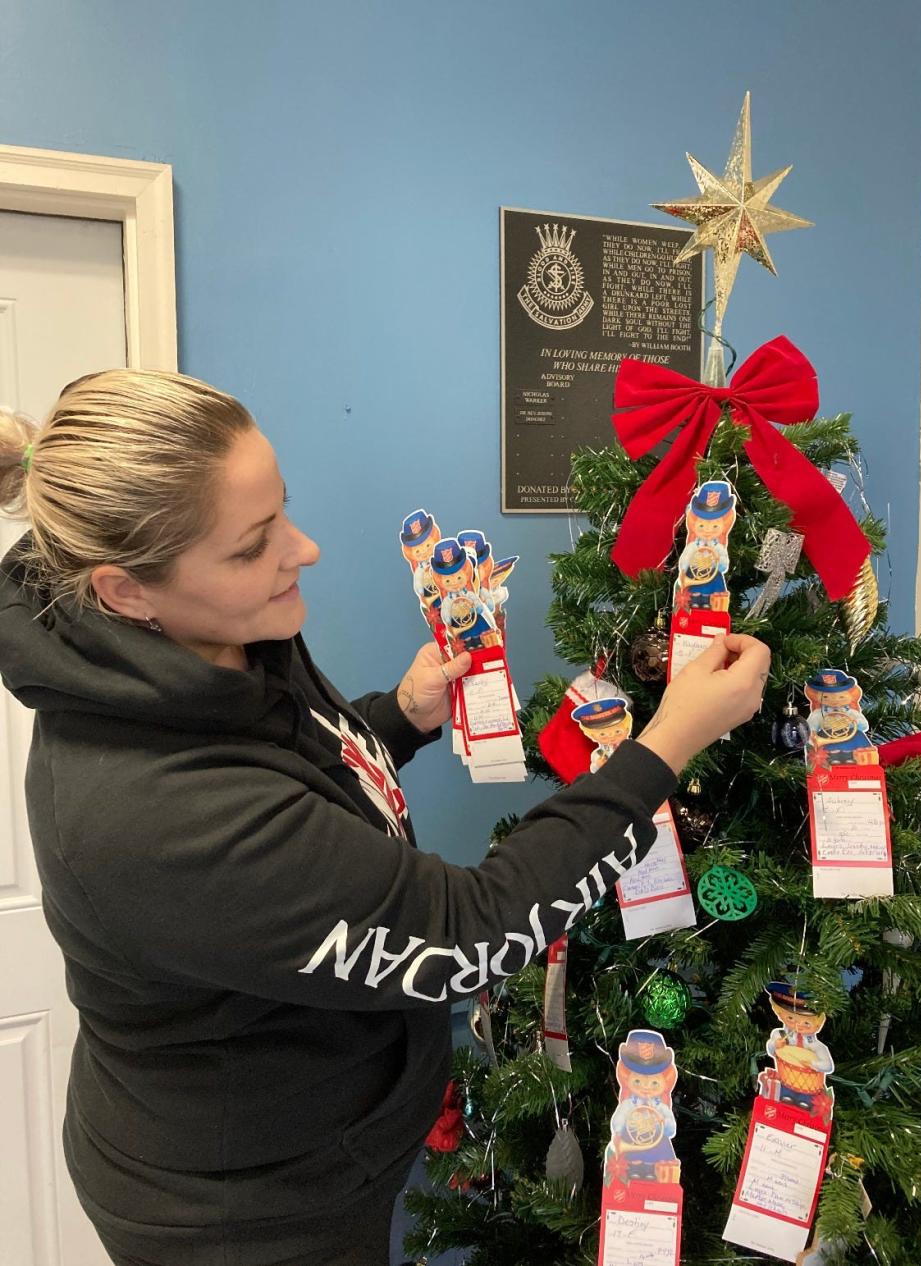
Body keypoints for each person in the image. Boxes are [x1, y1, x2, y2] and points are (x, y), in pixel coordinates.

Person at [0, 369, 770, 1266]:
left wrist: (396, 715)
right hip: (248, 1213)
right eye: (254, 545)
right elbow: (469, 930)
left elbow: (290, 770)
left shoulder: (209, 640)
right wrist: (667, 743)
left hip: (320, 1141)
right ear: (126, 591)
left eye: (283, 510)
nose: (304, 549)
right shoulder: (157, 816)